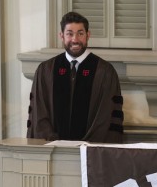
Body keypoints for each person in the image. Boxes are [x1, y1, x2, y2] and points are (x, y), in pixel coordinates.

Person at [27, 11, 124, 143]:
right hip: (53, 152)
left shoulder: (105, 72)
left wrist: (86, 147)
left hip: (91, 154)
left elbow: (106, 118)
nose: (75, 39)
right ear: (61, 36)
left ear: (88, 35)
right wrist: (54, 144)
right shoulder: (46, 71)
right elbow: (39, 115)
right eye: (69, 33)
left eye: (80, 33)